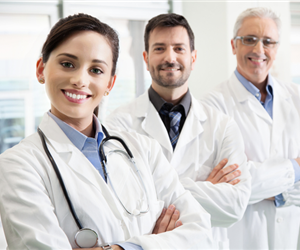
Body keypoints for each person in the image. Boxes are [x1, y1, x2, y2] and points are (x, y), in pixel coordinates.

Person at [0, 13, 214, 250]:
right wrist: (155, 242)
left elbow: (201, 234)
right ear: (41, 69)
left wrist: (120, 248)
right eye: (67, 64)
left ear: (110, 83)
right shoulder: (19, 165)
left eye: (96, 70)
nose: (80, 80)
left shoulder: (144, 149)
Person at [105, 13, 251, 249]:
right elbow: (121, 203)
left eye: (179, 48)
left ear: (193, 57)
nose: (170, 57)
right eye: (160, 48)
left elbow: (234, 207)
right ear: (146, 57)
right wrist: (205, 186)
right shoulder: (117, 126)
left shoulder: (222, 127)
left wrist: (156, 188)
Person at [202, 7, 300, 249]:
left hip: (298, 237)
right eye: (249, 40)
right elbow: (226, 188)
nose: (259, 50)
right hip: (244, 239)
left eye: (268, 42)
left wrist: (278, 194)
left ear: (276, 48)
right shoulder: (213, 106)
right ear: (234, 45)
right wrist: (299, 166)